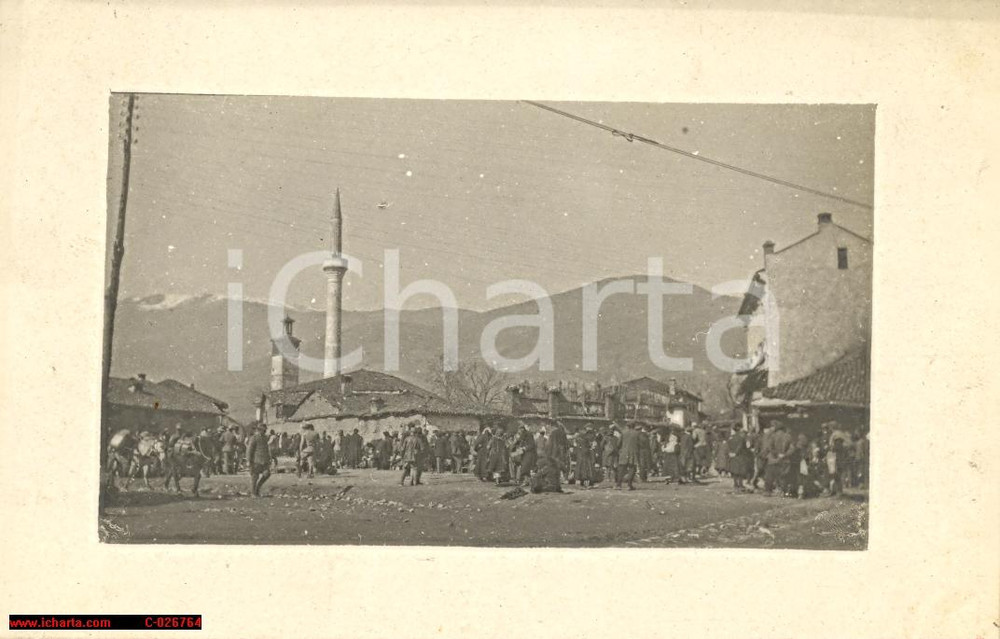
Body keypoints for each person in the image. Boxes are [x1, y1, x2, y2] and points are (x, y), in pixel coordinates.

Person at [246, 423, 272, 497]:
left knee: (267, 474)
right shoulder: (254, 438)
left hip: (264, 460)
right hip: (256, 460)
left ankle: (257, 488)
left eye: (265, 430)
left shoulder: (264, 438)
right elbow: (249, 450)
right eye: (263, 430)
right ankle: (253, 493)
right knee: (254, 477)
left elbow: (266, 449)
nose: (265, 432)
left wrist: (269, 458)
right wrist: (248, 460)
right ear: (259, 430)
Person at [616, 422, 641, 491]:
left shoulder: (623, 433)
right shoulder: (637, 433)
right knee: (632, 468)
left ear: (627, 426)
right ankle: (629, 485)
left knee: (621, 469)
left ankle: (618, 485)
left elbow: (618, 443)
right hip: (633, 452)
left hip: (624, 452)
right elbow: (640, 444)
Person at [727, 423, 752, 492]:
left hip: (732, 455)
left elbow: (728, 445)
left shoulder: (731, 437)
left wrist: (730, 453)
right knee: (740, 471)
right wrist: (735, 453)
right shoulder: (741, 438)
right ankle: (740, 484)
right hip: (740, 455)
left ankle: (735, 484)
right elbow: (740, 446)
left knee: (734, 470)